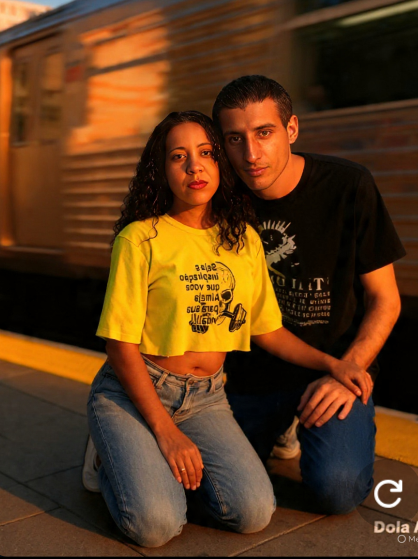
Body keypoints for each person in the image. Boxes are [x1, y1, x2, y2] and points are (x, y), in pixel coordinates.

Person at [82, 111, 371, 548]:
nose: (194, 167)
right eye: (178, 157)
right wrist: (167, 434)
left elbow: (267, 331)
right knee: (155, 526)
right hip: (135, 390)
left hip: (206, 398)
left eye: (206, 154)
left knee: (253, 512)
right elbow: (119, 346)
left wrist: (334, 364)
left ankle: (138, 465)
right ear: (161, 171)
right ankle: (108, 458)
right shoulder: (140, 239)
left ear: (220, 164)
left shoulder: (243, 239)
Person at [212, 75, 406, 515]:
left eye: (264, 133)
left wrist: (347, 370)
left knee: (337, 490)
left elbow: (385, 299)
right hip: (255, 373)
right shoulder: (222, 200)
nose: (251, 154)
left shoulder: (348, 185)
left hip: (334, 368)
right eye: (235, 139)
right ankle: (281, 428)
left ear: (292, 129)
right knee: (208, 489)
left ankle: (304, 427)